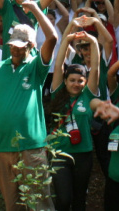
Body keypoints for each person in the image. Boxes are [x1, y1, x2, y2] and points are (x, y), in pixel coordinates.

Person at [0, 0, 58, 211]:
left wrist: (35, 9)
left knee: (40, 205)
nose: (15, 49)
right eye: (13, 44)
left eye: (21, 46)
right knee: (12, 206)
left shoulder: (36, 68)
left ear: (31, 46)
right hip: (2, 149)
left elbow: (52, 38)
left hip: (31, 149)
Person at [47, 31, 100, 211]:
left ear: (85, 82)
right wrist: (68, 39)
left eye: (80, 80)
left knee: (79, 200)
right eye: (72, 80)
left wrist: (93, 41)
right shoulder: (57, 93)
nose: (76, 84)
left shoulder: (88, 95)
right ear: (65, 80)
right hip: (60, 153)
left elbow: (96, 67)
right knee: (63, 199)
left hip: (83, 155)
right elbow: (59, 62)